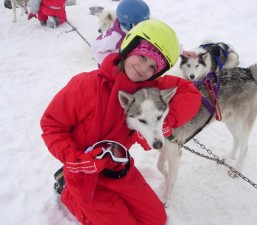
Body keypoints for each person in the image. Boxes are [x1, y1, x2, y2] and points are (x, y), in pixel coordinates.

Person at [40, 19, 202, 225]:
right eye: (142, 56)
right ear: (129, 47)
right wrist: (74, 158)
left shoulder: (149, 90)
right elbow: (52, 125)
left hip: (118, 167)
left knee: (157, 219)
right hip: (85, 173)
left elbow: (190, 93)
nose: (144, 68)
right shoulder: (86, 85)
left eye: (153, 66)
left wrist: (157, 122)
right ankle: (67, 190)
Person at [91, 0, 196, 67]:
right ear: (126, 22)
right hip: (114, 71)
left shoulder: (144, 27)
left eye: (146, 22)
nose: (143, 26)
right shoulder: (114, 37)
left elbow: (162, 39)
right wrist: (114, 64)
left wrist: (181, 51)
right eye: (137, 24)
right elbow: (96, 50)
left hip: (136, 66)